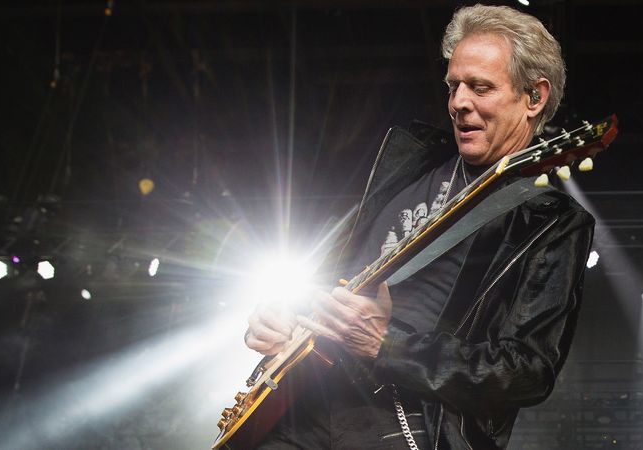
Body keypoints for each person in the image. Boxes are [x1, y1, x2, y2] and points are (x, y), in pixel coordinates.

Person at [244, 4, 594, 449]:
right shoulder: (408, 164)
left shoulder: (550, 221)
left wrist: (385, 347)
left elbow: (526, 371)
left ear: (534, 98)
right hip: (300, 403)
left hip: (402, 423)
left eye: (480, 87)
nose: (458, 102)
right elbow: (330, 275)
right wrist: (277, 316)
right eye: (454, 86)